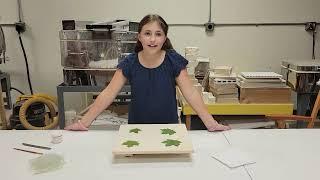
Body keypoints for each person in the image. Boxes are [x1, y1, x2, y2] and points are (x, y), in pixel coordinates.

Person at [65, 14, 230, 131]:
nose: (152, 39)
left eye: (158, 34)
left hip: (168, 127)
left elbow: (191, 93)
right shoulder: (130, 62)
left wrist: (210, 122)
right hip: (137, 128)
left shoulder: (173, 60)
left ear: (164, 38)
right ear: (139, 37)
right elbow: (108, 93)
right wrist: (84, 123)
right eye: (147, 34)